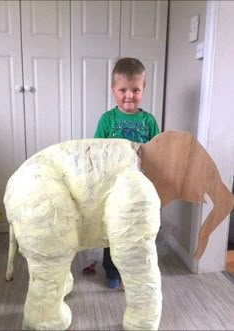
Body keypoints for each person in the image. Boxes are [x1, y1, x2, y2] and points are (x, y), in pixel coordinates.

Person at [84, 57, 160, 289]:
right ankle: (112, 270)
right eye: (123, 90)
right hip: (113, 187)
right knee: (114, 230)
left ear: (143, 89)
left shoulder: (149, 121)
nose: (129, 95)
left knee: (138, 232)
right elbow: (96, 152)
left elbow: (157, 153)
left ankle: (136, 272)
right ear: (113, 91)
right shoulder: (107, 119)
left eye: (135, 90)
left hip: (139, 188)